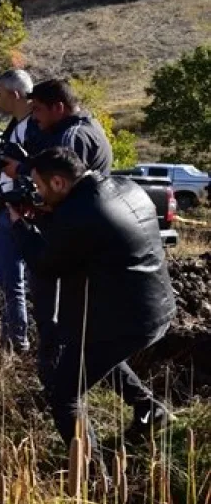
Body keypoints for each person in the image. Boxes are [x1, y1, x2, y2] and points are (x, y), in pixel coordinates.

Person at [9, 148, 173, 476]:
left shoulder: (80, 213)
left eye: (40, 187)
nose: (38, 193)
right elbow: (89, 236)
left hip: (123, 320)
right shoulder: (122, 186)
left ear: (59, 181)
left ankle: (94, 476)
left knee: (64, 394)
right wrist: (46, 214)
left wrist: (18, 226)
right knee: (102, 357)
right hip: (156, 308)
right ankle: (150, 411)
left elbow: (46, 264)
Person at [3, 79, 114, 374]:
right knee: (69, 320)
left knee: (54, 317)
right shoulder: (90, 127)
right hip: (78, 237)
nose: (35, 118)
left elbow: (60, 186)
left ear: (59, 107)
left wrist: (22, 172)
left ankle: (55, 380)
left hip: (66, 240)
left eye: (38, 110)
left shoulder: (71, 138)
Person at [0, 70, 40, 353]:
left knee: (35, 281)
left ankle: (28, 343)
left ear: (15, 94)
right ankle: (14, 341)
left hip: (29, 213)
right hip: (6, 211)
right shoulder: (14, 126)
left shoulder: (38, 127)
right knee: (8, 280)